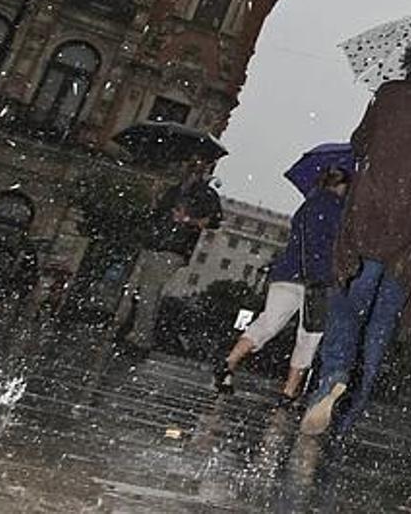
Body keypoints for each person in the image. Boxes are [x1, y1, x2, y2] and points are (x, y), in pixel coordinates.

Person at [300, 37, 411, 436]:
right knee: (382, 322)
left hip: (373, 213)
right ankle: (347, 418)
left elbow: (359, 143)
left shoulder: (390, 93)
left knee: (348, 305)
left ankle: (331, 384)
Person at [216, 167, 351, 400]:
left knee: (268, 322)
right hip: (319, 280)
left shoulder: (307, 205)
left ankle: (229, 362)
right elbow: (334, 245)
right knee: (309, 335)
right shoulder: (340, 211)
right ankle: (289, 391)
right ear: (343, 185)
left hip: (287, 273)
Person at [115, 156, 222, 349]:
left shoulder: (206, 194)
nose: (191, 169)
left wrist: (188, 219)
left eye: (197, 165)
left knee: (149, 291)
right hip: (155, 243)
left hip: (172, 248)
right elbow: (158, 215)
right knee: (139, 290)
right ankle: (133, 330)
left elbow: (213, 221)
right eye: (190, 164)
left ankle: (141, 336)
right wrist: (156, 199)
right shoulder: (174, 190)